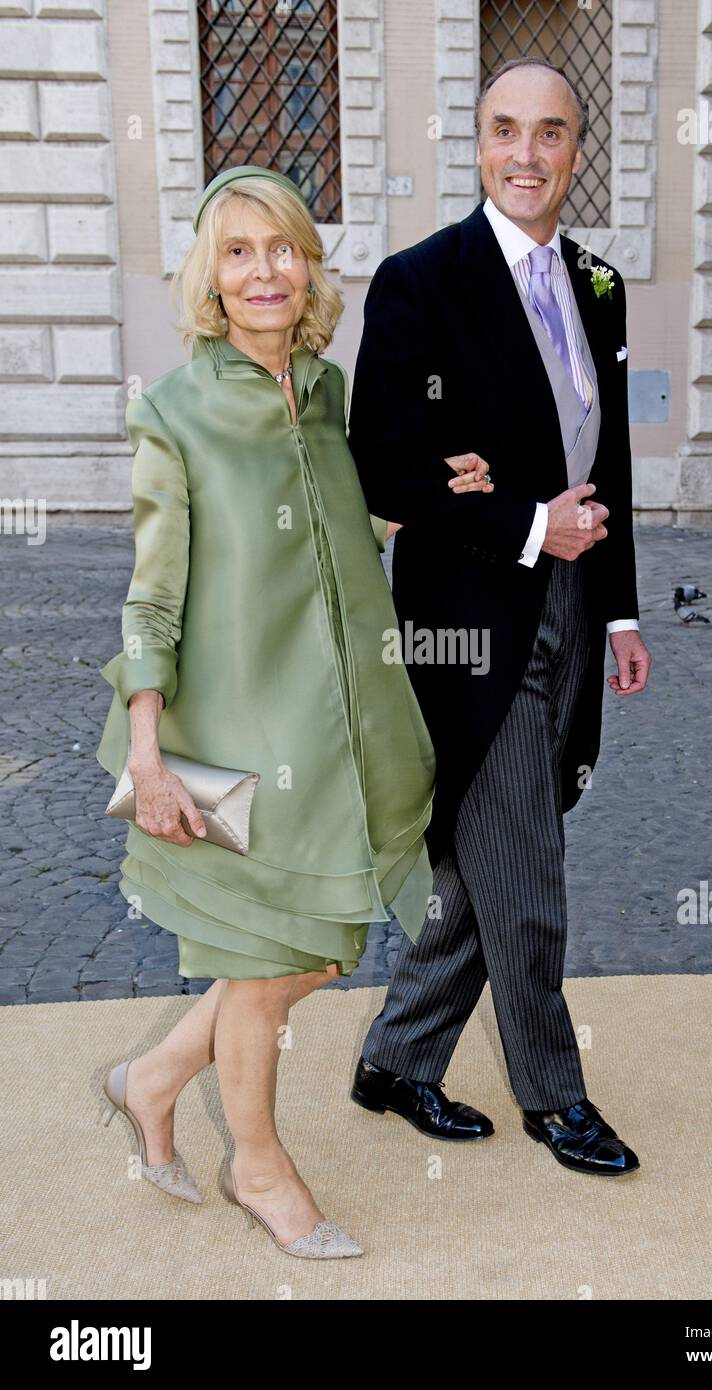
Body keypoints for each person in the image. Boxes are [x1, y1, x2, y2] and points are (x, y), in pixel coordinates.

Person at [95, 165, 493, 1258]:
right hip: (234, 736)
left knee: (315, 953)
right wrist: (149, 751)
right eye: (238, 251)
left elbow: (334, 521)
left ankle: (152, 1077)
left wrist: (428, 495)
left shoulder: (322, 390)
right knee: (269, 965)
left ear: (307, 267)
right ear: (210, 279)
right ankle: (261, 1169)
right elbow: (152, 591)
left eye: (281, 248)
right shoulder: (173, 413)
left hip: (343, 726)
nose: (263, 270)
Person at [348, 60, 651, 1175]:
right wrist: (521, 521)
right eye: (505, 131)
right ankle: (555, 1098)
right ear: (476, 143)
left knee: (491, 854)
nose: (527, 153)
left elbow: (606, 459)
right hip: (469, 618)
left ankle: (395, 1058)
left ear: (578, 149)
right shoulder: (420, 281)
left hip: (573, 604)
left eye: (552, 133)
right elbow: (381, 460)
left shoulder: (602, 285)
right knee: (526, 865)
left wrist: (617, 613)